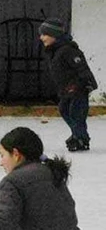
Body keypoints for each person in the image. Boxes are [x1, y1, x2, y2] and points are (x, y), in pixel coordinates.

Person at [38, 17, 98, 152]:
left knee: (76, 113)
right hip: (66, 89)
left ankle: (81, 139)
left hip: (79, 88)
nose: (42, 38)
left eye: (45, 34)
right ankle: (77, 134)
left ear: (55, 35)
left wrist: (87, 83)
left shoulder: (68, 50)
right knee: (64, 109)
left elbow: (81, 67)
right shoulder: (54, 51)